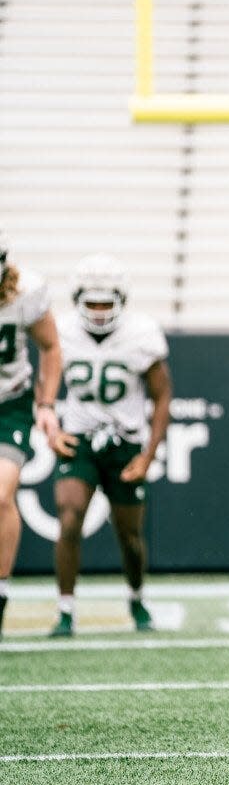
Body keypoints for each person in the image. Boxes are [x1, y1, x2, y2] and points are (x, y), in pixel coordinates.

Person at [48, 254, 172, 637]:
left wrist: (148, 454)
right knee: (69, 516)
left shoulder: (142, 332)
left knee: (130, 535)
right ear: (77, 300)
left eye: (106, 303)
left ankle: (136, 598)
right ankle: (66, 609)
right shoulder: (61, 332)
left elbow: (162, 396)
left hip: (125, 443)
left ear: (121, 300)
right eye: (92, 303)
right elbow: (45, 385)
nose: (100, 311)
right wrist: (51, 428)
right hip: (80, 439)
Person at [0, 232, 68, 638]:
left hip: (9, 404)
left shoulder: (24, 291)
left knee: (1, 493)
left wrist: (45, 404)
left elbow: (52, 347)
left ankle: (1, 588)